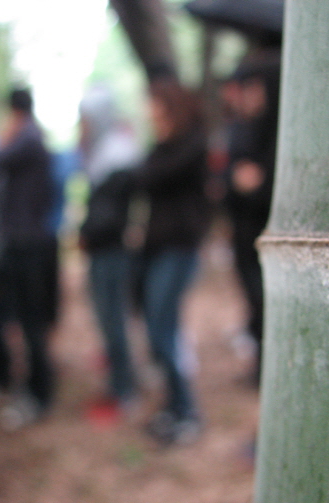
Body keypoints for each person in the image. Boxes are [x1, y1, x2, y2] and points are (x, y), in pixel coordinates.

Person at [136, 77, 211, 446]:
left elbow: (154, 175)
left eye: (152, 102)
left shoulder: (191, 144)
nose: (147, 110)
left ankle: (187, 411)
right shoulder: (163, 146)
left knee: (163, 329)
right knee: (158, 328)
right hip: (160, 249)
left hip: (179, 249)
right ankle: (173, 406)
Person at [0, 88, 58, 426]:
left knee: (30, 323)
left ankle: (39, 394)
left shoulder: (26, 138)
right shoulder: (34, 138)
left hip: (27, 245)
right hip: (28, 242)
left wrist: (3, 138)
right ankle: (35, 390)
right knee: (28, 322)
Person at [78, 85, 143, 414]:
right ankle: (121, 384)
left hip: (112, 253)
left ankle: (124, 390)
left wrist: (88, 233)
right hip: (103, 251)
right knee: (108, 321)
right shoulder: (103, 153)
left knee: (113, 320)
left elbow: (110, 215)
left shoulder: (118, 154)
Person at [222, 59, 280, 387]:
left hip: (269, 234)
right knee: (254, 304)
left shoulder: (280, 133)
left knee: (267, 303)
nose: (248, 96)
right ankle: (260, 367)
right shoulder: (242, 129)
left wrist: (258, 183)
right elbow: (227, 180)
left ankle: (269, 370)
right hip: (244, 235)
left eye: (254, 88)